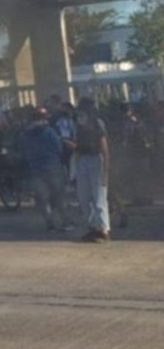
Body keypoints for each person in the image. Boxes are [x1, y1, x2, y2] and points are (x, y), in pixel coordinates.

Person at [67, 97, 111, 243]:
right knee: (83, 197)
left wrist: (106, 169)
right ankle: (93, 227)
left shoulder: (97, 123)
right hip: (83, 159)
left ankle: (103, 230)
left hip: (95, 158)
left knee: (99, 197)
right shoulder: (77, 124)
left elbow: (104, 147)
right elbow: (78, 144)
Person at [21, 107, 70, 232]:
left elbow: (23, 151)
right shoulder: (49, 132)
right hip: (52, 166)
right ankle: (64, 222)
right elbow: (58, 148)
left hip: (35, 168)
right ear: (43, 119)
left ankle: (49, 223)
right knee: (58, 195)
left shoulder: (24, 134)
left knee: (42, 197)